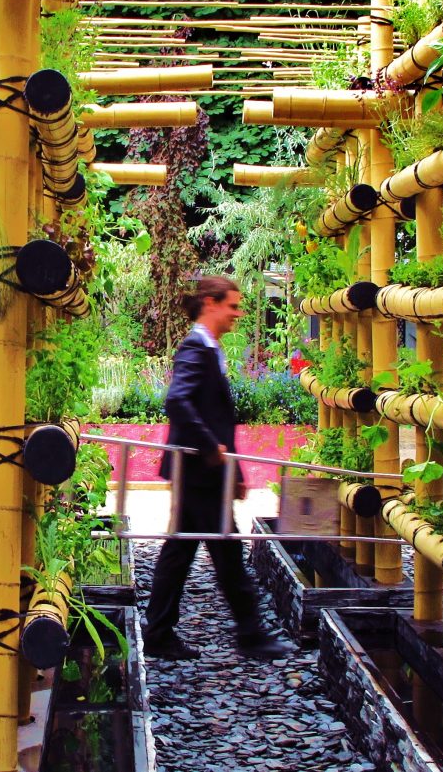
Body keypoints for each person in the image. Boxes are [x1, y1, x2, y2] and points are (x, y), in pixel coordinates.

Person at [142, 276, 294, 661]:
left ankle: (163, 632)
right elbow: (177, 401)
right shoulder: (196, 347)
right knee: (218, 551)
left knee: (189, 552)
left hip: (203, 473)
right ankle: (249, 635)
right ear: (211, 303)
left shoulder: (208, 348)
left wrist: (236, 472)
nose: (237, 314)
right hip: (198, 471)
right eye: (232, 306)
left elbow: (211, 415)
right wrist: (211, 449)